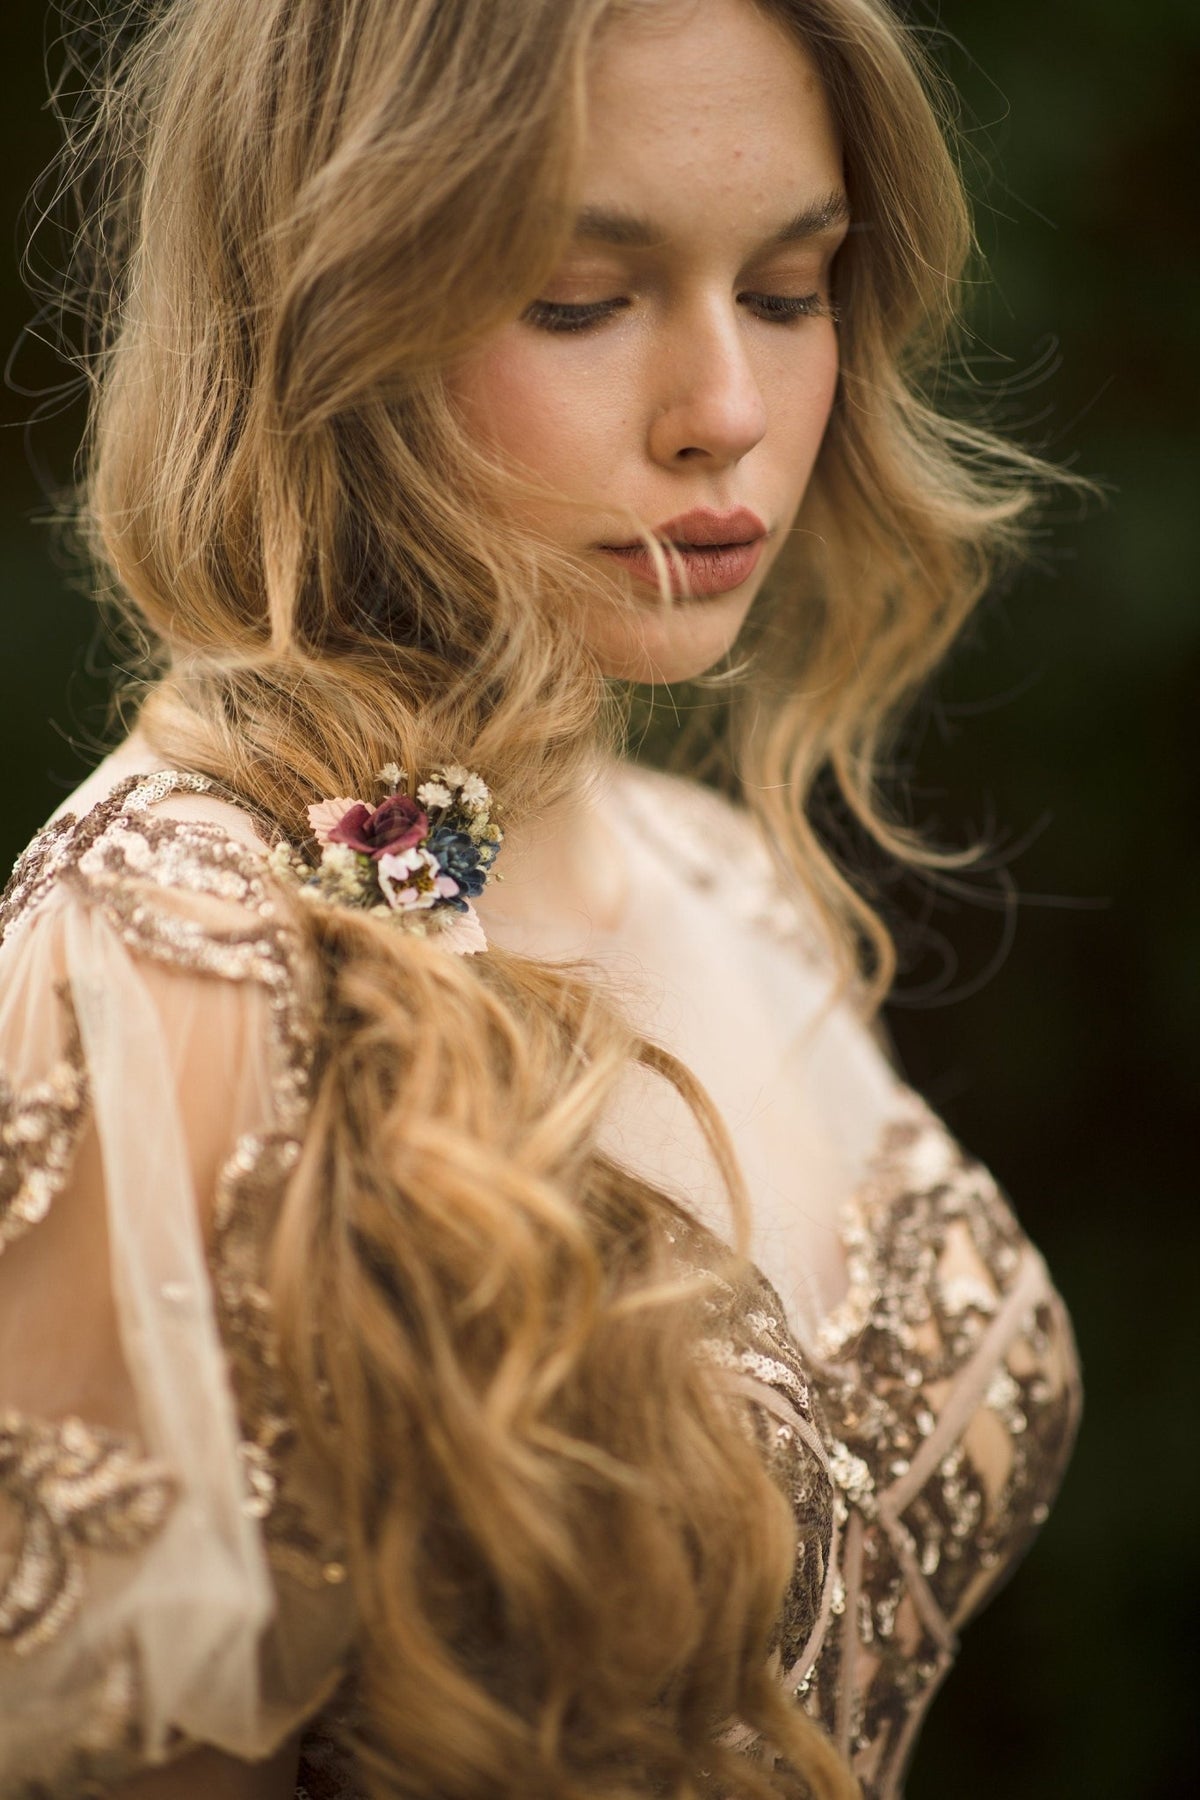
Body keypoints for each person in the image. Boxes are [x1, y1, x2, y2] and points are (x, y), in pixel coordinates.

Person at [0, 1, 1082, 1796]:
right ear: (321, 313)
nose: (726, 413)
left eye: (790, 291)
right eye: (580, 301)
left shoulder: (729, 872)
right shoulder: (166, 963)